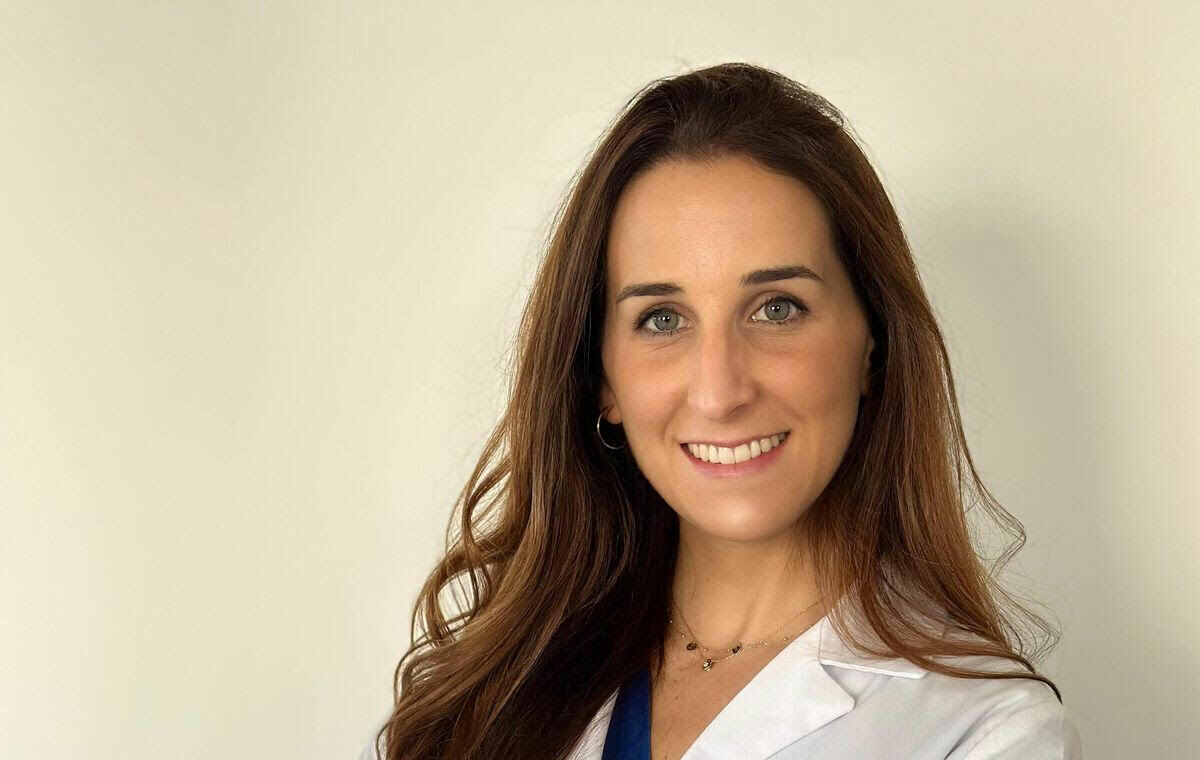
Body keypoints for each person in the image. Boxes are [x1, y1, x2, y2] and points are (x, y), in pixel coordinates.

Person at [359, 62, 1083, 760]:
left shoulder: (985, 733)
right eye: (662, 319)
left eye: (777, 308)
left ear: (872, 345)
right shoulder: (468, 709)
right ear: (602, 378)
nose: (719, 391)